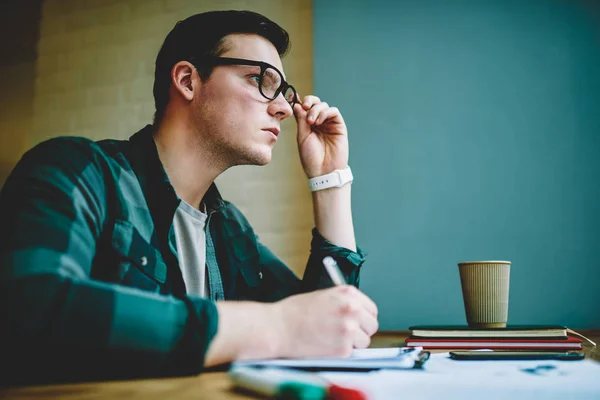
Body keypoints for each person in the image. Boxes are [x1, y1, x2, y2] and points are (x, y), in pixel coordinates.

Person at [0, 10, 378, 384]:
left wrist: (330, 180)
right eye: (258, 80)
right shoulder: (76, 171)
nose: (282, 108)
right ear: (187, 80)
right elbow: (30, 307)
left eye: (284, 92)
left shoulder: (229, 228)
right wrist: (273, 326)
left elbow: (325, 327)